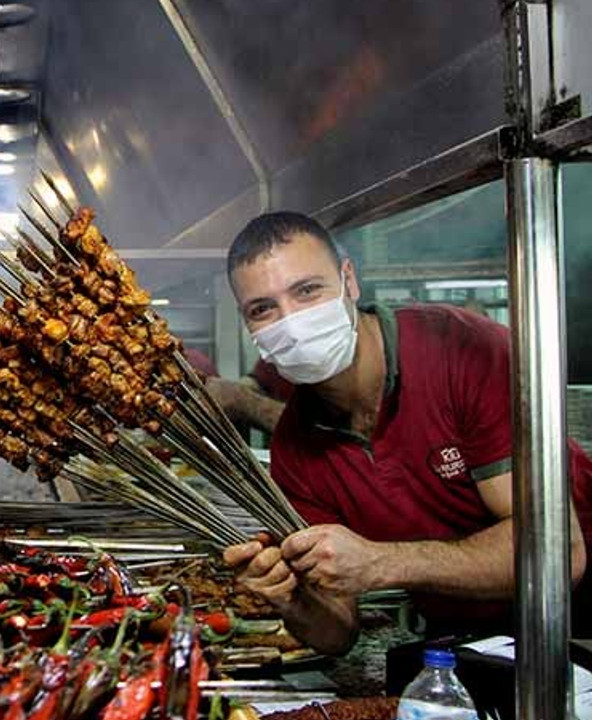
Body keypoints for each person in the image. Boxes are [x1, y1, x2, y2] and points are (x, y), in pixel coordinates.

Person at [219, 211, 592, 654]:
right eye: (263, 309)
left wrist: (382, 562)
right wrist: (290, 598)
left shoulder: (464, 350)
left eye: (307, 291)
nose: (292, 321)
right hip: (463, 638)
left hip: (580, 613)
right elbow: (338, 632)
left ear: (349, 281)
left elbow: (556, 551)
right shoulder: (296, 450)